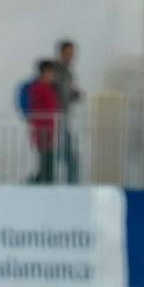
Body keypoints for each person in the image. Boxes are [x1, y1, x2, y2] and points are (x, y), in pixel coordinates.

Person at [25, 60, 61, 184]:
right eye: (51, 73)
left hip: (49, 129)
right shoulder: (39, 88)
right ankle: (41, 182)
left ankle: (42, 181)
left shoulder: (48, 88)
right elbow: (39, 109)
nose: (53, 76)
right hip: (42, 130)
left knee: (48, 160)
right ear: (44, 73)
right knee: (45, 160)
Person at [53, 40, 83, 184]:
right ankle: (72, 184)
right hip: (56, 118)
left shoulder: (67, 72)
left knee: (65, 153)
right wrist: (71, 94)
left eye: (72, 54)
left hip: (63, 116)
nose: (71, 57)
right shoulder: (57, 71)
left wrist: (73, 94)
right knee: (67, 154)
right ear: (61, 53)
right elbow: (60, 93)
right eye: (68, 53)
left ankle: (71, 182)